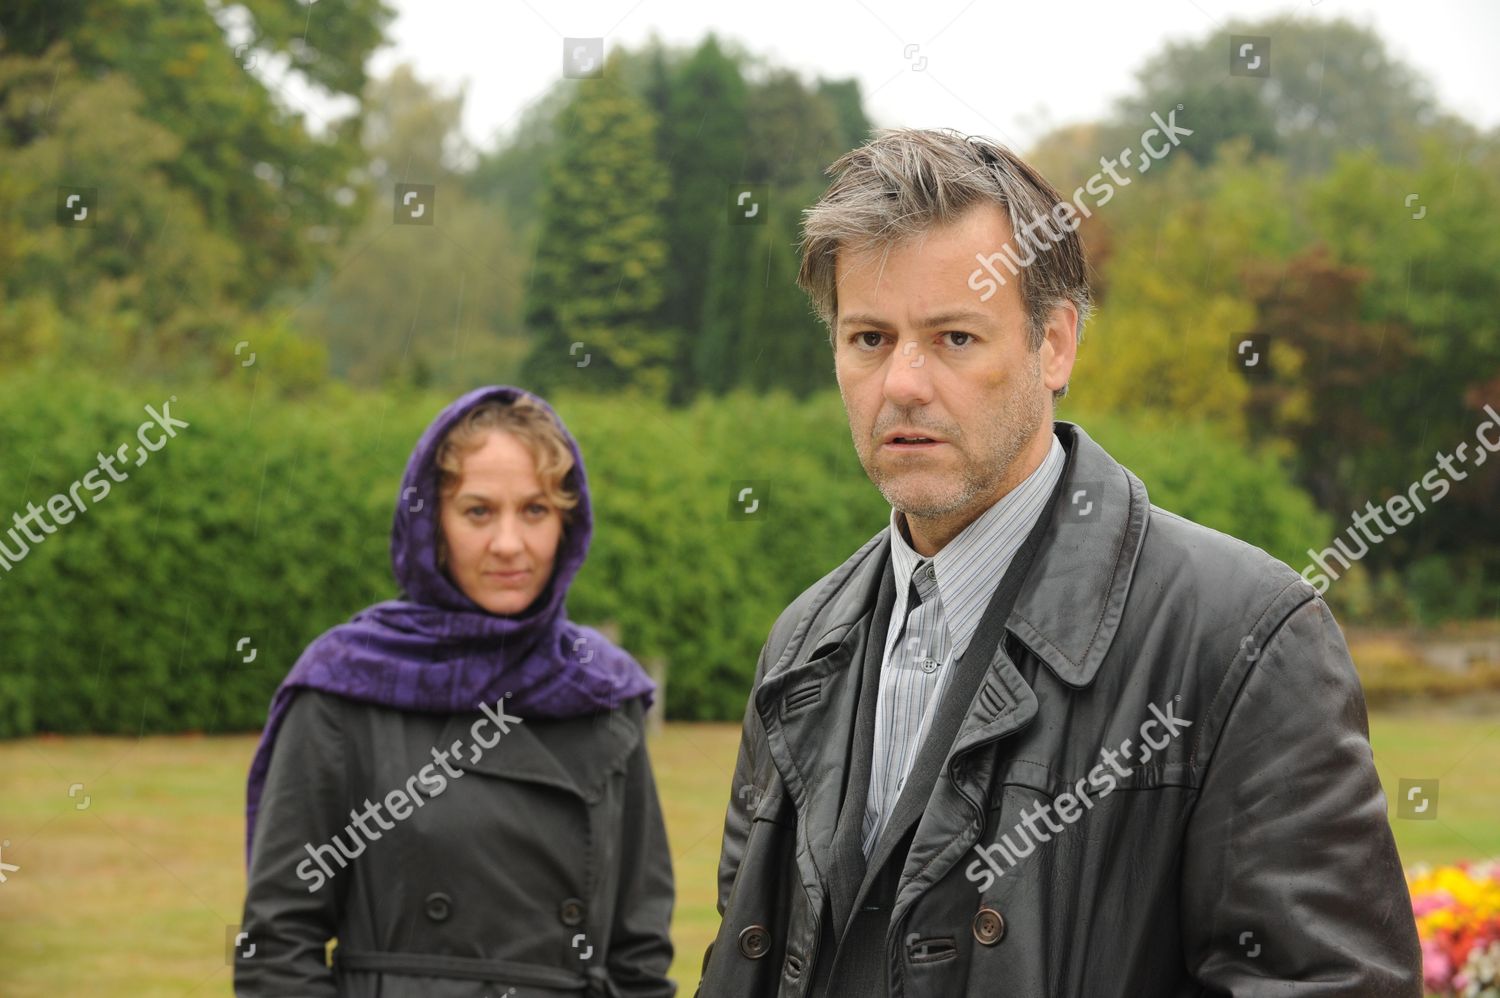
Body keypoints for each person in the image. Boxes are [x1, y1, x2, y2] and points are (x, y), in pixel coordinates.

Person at [696, 129, 1422, 997]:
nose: (904, 383)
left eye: (955, 337)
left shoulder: (1245, 640)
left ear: (1056, 345)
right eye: (870, 340)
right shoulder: (800, 647)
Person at [237, 385, 675, 998]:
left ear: (567, 525)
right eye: (477, 511)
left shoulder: (605, 690)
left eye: (535, 511)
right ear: (431, 524)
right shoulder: (344, 685)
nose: (508, 544)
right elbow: (277, 948)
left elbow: (639, 954)